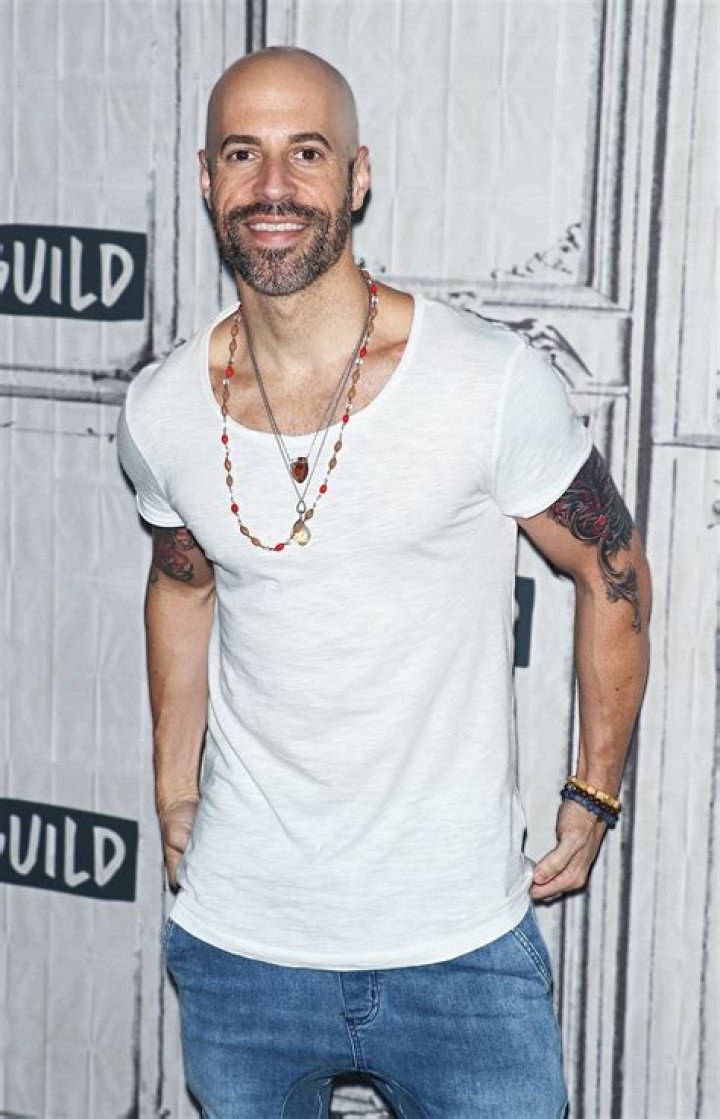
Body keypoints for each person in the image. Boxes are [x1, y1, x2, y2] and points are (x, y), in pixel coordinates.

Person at [117, 46, 651, 1119]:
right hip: (240, 950)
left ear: (357, 176)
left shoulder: (487, 380)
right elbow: (181, 584)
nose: (274, 186)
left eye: (307, 154)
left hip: (461, 950)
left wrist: (594, 791)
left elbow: (613, 567)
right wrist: (175, 786)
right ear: (208, 179)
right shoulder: (162, 408)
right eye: (243, 155)